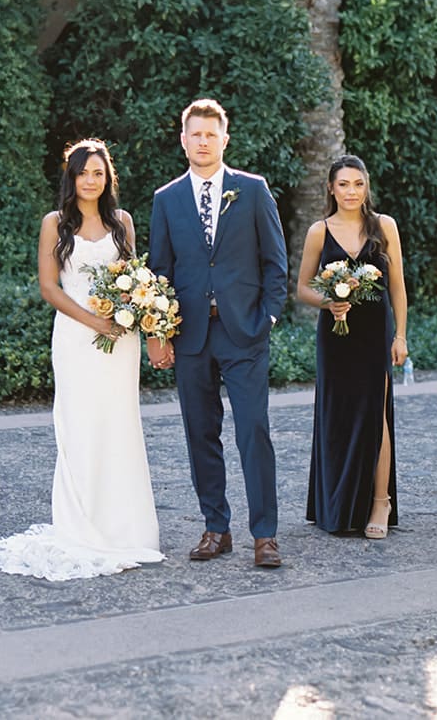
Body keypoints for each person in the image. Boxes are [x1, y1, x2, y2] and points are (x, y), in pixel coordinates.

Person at [0, 140, 163, 579]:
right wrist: (94, 321)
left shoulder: (123, 222)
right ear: (70, 177)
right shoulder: (54, 223)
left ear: (108, 178)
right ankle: (80, 524)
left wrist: (141, 323)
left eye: (98, 173)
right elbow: (49, 287)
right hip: (76, 336)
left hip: (120, 339)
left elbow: (135, 279)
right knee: (79, 424)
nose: (91, 180)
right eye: (83, 173)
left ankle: (124, 527)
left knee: (119, 424)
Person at [148, 99, 289, 569]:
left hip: (244, 331)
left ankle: (265, 535)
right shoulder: (166, 199)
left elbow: (275, 262)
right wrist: (159, 331)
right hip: (190, 335)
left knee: (253, 430)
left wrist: (267, 317)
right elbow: (160, 270)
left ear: (224, 139)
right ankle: (216, 527)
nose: (203, 141)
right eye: (196, 134)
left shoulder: (252, 190)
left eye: (211, 134)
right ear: (183, 139)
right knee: (200, 433)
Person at [295, 154, 408, 538]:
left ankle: (380, 501)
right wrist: (328, 301)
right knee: (338, 416)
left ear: (366, 187)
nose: (351, 192)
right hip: (335, 337)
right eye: (343, 184)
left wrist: (400, 335)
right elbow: (302, 288)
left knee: (377, 414)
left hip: (375, 334)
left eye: (358, 184)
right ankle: (337, 505)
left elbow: (397, 287)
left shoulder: (384, 226)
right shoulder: (318, 232)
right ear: (331, 188)